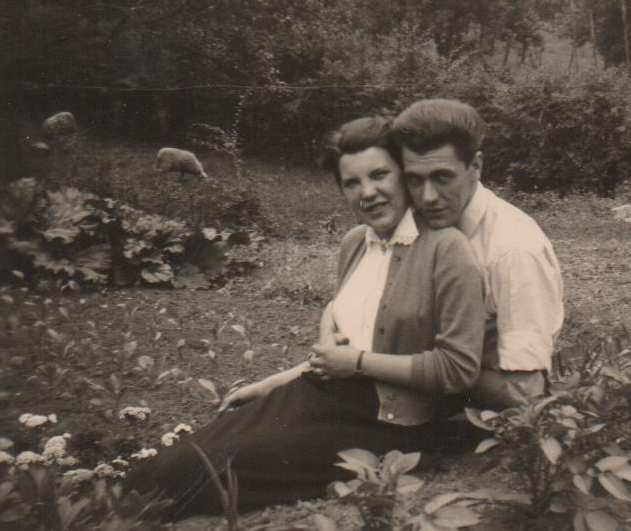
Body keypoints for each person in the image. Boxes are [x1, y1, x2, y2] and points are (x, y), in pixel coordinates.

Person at [125, 116, 485, 519]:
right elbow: (341, 352)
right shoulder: (356, 244)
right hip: (317, 396)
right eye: (351, 183)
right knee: (164, 464)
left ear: (403, 175)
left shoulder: (446, 249)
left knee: (192, 473)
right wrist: (270, 384)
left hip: (382, 426)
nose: (368, 192)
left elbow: (458, 369)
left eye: (379, 175)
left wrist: (358, 364)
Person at [390, 99, 564, 410]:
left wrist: (427, 372)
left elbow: (524, 391)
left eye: (443, 177)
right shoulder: (411, 224)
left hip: (474, 414)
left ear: (476, 167)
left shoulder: (513, 250)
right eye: (414, 179)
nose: (427, 197)